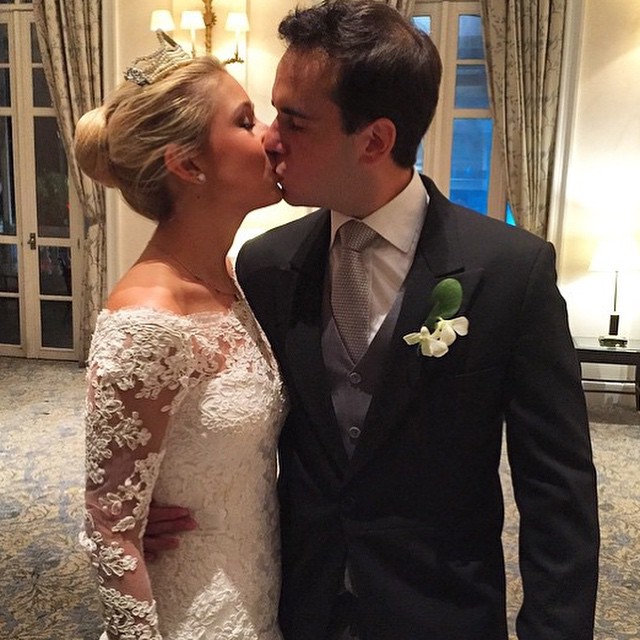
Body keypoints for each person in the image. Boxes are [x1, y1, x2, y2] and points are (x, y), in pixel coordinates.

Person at [148, 2, 600, 638]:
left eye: (295, 120)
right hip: (299, 605)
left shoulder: (509, 272)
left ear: (375, 141)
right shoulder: (265, 265)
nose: (271, 138)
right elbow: (238, 422)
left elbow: (557, 489)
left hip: (441, 610)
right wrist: (145, 502)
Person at [76, 31, 286, 640]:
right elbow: (109, 530)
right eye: (245, 121)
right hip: (191, 613)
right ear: (189, 164)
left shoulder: (229, 278)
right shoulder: (149, 318)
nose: (270, 136)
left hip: (255, 587)